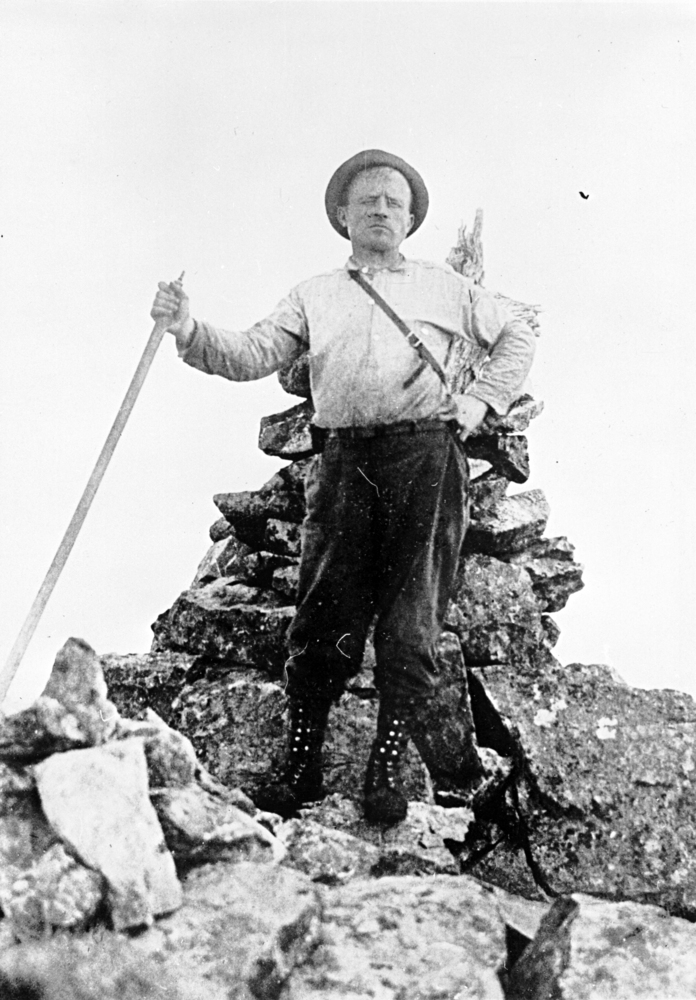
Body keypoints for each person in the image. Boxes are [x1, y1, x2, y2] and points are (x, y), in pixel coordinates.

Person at [151, 149, 536, 825]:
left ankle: (385, 771)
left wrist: (481, 402)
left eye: (394, 201)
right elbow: (251, 353)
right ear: (342, 216)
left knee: (411, 623)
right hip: (345, 462)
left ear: (411, 217)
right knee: (324, 616)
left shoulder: (447, 288)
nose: (381, 210)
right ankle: (299, 765)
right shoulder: (316, 293)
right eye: (368, 201)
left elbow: (518, 336)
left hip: (425, 459)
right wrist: (187, 327)